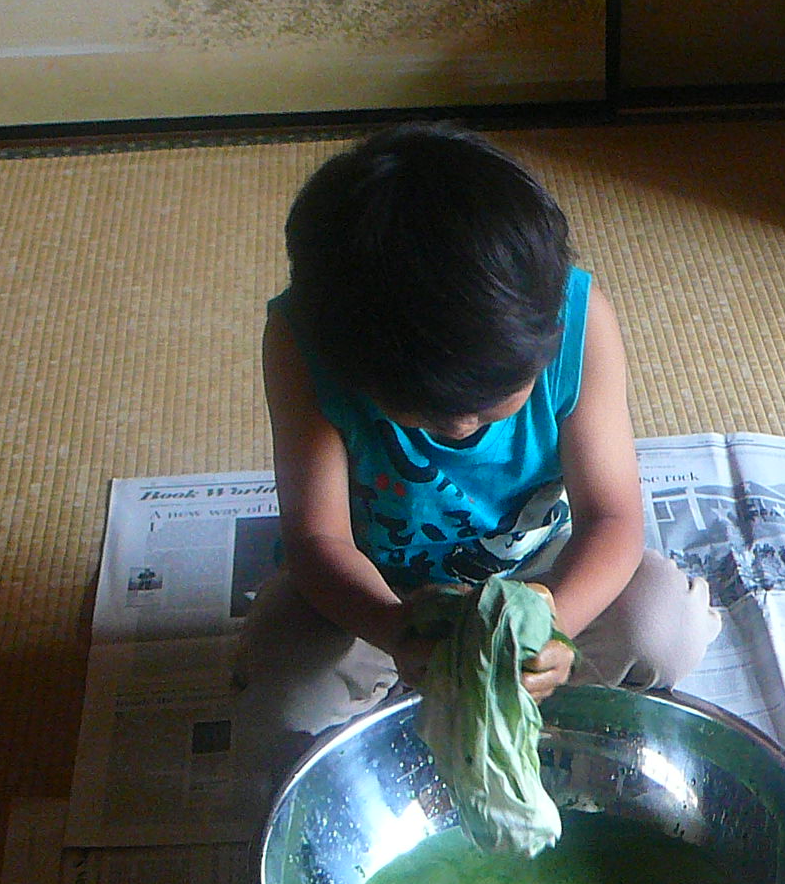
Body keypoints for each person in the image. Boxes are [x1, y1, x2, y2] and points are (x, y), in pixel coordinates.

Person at [234, 120, 720, 744]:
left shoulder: (581, 320)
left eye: (491, 406)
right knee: (287, 690)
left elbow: (613, 519)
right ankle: (412, 688)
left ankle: (534, 686)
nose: (461, 425)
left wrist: (555, 624)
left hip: (540, 574)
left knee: (663, 628)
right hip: (377, 588)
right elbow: (315, 538)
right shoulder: (303, 344)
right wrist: (396, 630)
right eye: (427, 414)